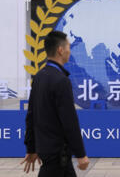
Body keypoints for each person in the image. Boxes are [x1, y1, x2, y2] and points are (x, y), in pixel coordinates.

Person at [22, 31, 90, 176]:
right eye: (69, 47)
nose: (69, 51)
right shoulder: (61, 80)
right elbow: (69, 121)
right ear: (60, 50)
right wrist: (81, 154)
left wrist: (31, 147)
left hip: (46, 151)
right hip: (58, 155)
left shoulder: (39, 76)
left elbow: (31, 115)